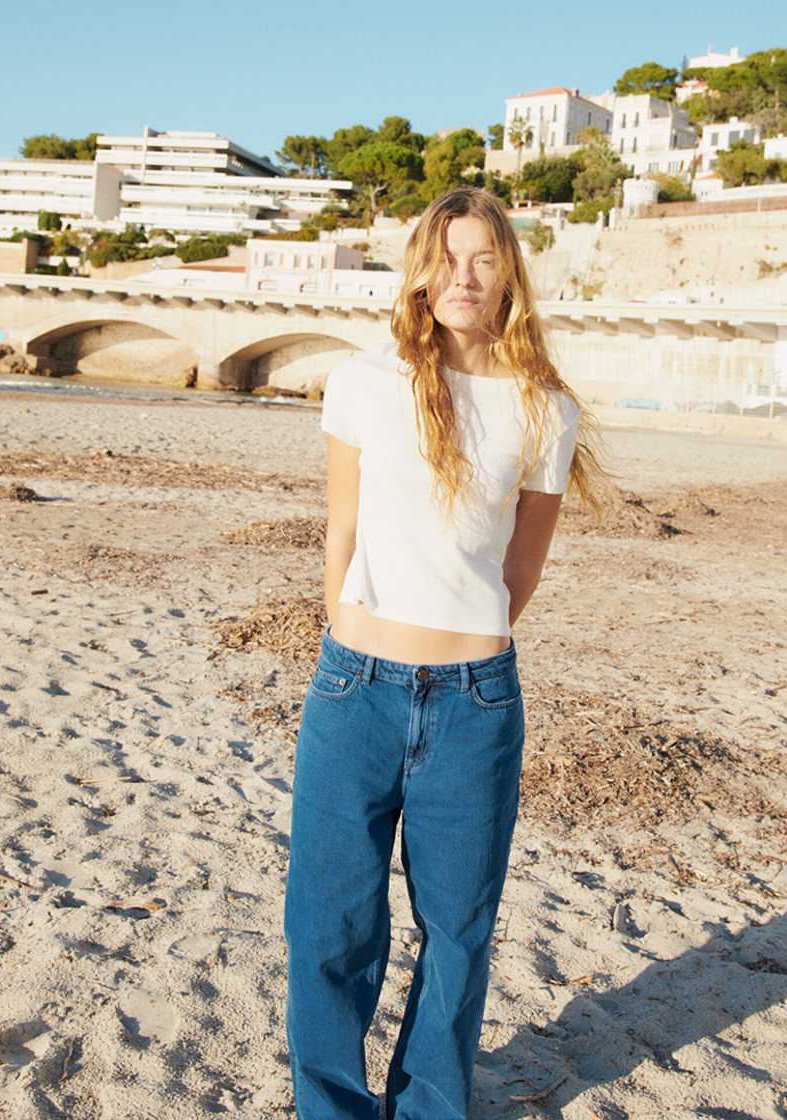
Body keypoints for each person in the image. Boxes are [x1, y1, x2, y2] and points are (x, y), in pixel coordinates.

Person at [283, 187, 612, 1120]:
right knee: (329, 926)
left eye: (483, 259)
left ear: (509, 274)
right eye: (447, 258)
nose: (463, 277)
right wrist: (348, 638)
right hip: (353, 689)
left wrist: (463, 636)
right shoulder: (363, 382)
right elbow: (342, 531)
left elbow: (521, 569)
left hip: (476, 704)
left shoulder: (546, 408)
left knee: (459, 933)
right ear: (421, 272)